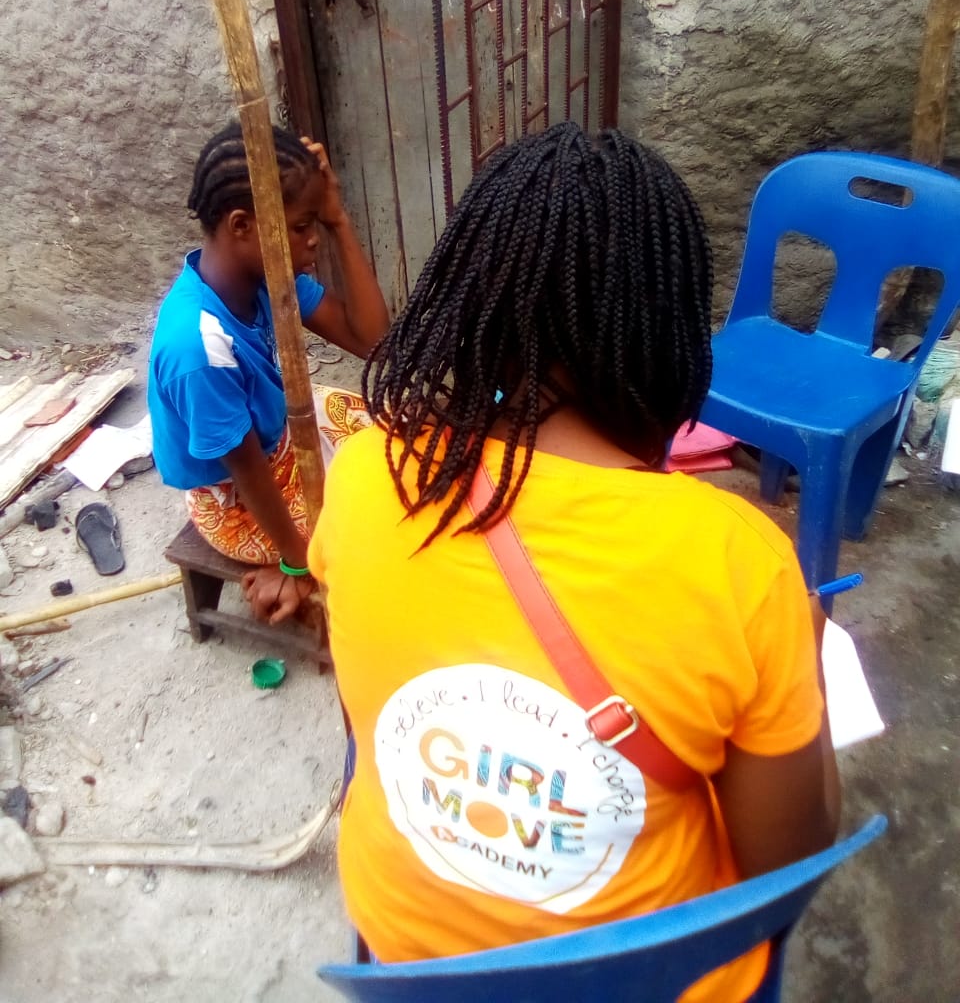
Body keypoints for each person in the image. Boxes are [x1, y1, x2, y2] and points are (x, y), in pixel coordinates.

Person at [282, 123, 837, 1002]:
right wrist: (804, 661)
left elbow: (369, 711)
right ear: (665, 326)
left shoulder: (362, 480)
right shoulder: (742, 564)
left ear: (470, 298)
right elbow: (786, 868)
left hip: (406, 966)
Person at [148, 121, 388, 624]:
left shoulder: (264, 275)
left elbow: (370, 341)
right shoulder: (198, 347)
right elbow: (247, 470)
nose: (313, 240)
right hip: (235, 502)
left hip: (277, 434)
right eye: (302, 227)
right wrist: (295, 562)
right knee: (372, 523)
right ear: (241, 225)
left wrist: (338, 219)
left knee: (407, 433)